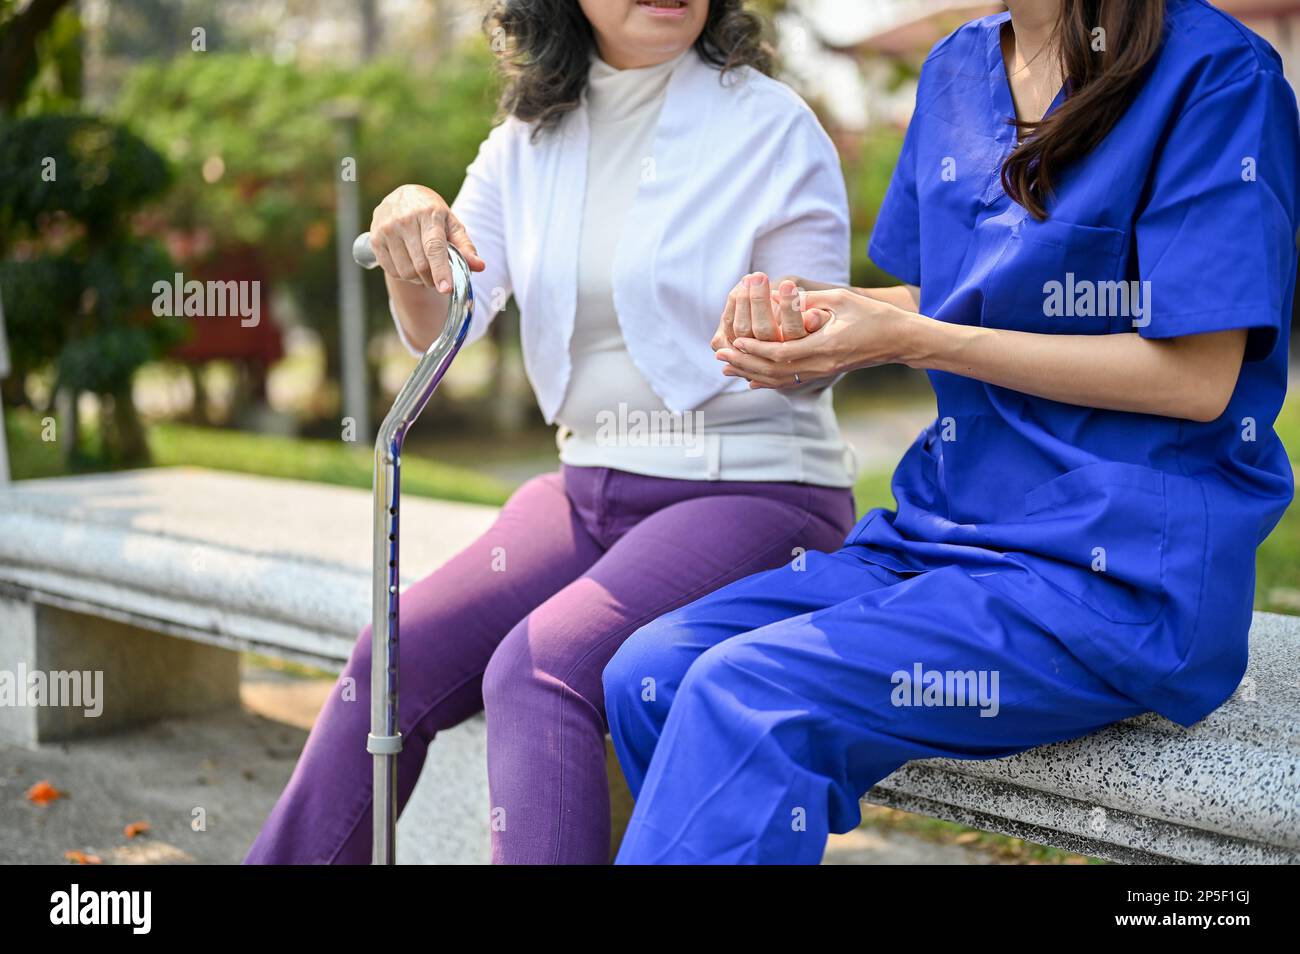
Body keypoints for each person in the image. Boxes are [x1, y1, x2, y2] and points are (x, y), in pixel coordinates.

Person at [603, 0, 1299, 864]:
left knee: (748, 693)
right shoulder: (955, 70)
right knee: (652, 671)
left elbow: (1198, 379)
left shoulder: (1218, 74)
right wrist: (829, 324)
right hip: (940, 535)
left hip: (1114, 573)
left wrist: (908, 337)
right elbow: (965, 298)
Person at [247, 0, 859, 865]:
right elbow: (446, 323)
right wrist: (408, 225)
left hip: (754, 491)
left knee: (540, 666)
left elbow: (824, 343)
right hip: (587, 492)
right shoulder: (526, 142)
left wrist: (788, 334)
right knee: (394, 654)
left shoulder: (772, 125)